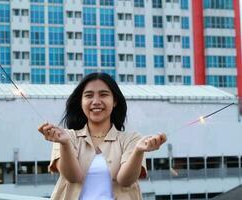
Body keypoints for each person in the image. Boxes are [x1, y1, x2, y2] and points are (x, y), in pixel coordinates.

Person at [38, 73, 166, 200]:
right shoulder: (66, 137)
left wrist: (138, 151)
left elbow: (125, 180)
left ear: (114, 101)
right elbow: (73, 177)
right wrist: (65, 144)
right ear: (81, 102)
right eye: (88, 96)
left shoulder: (131, 139)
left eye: (103, 94)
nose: (96, 102)